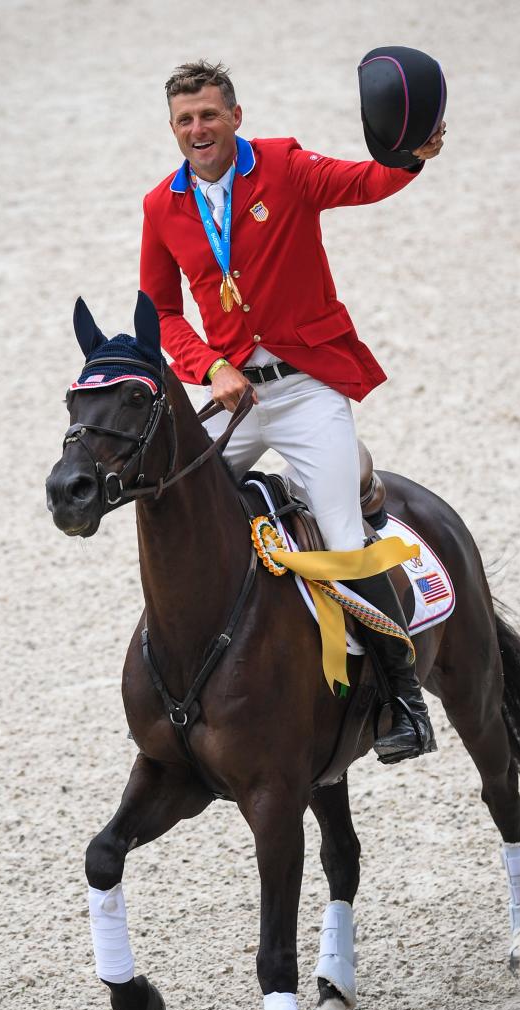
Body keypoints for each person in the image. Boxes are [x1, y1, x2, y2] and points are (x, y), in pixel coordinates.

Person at [139, 59, 445, 763]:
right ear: (173, 129)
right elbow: (159, 310)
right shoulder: (162, 206)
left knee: (340, 530)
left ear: (236, 117)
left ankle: (402, 697)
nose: (198, 129)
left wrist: (409, 159)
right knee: (172, 499)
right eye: (185, 121)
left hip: (305, 386)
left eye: (209, 115)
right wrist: (209, 366)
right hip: (233, 391)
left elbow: (362, 182)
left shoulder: (282, 165)